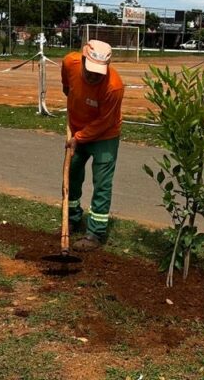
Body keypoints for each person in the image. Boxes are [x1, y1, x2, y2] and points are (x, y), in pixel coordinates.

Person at [60, 39, 124, 251]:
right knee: (72, 174)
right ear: (83, 59)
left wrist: (79, 138)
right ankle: (72, 218)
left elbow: (105, 122)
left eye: (99, 72)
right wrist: (67, 88)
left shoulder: (113, 87)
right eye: (90, 70)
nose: (93, 76)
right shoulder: (71, 62)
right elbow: (66, 83)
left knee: (102, 184)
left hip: (105, 135)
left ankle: (95, 233)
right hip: (77, 129)